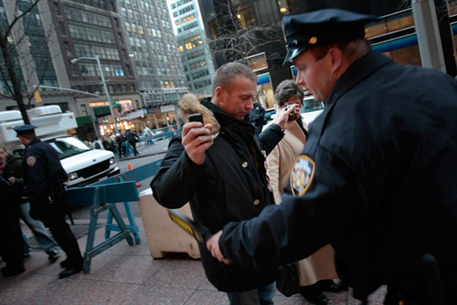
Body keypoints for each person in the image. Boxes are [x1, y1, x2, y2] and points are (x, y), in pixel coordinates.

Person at [206, 8, 457, 305]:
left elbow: (298, 220)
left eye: (302, 67)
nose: (299, 80)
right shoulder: (438, 84)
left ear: (334, 59)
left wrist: (232, 239)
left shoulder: (339, 126)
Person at [150, 62, 298, 305]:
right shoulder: (193, 136)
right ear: (220, 94)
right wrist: (191, 159)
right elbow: (165, 194)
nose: (251, 104)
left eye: (253, 97)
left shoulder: (241, 126)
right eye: (244, 97)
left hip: (260, 242)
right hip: (231, 253)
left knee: (267, 299)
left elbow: (251, 156)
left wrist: (278, 127)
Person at [266, 80, 342, 304]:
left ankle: (325, 278)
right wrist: (280, 208)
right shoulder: (274, 131)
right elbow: (271, 172)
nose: (295, 108)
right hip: (293, 200)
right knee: (304, 251)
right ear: (280, 105)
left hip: (313, 193)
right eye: (290, 104)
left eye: (298, 103)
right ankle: (310, 288)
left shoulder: (303, 125)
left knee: (321, 243)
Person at [13, 125, 84, 279]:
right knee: (62, 229)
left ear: (21, 137)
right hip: (56, 195)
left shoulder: (32, 152)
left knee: (60, 231)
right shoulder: (46, 146)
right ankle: (73, 258)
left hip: (47, 199)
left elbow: (36, 180)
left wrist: (35, 203)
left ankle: (76, 261)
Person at [0, 145, 61, 262]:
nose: (0, 156)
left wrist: (15, 181)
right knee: (12, 228)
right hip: (7, 202)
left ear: (5, 153)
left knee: (33, 222)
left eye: (1, 153)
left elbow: (28, 180)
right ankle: (23, 250)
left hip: (21, 198)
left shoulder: (16, 163)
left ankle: (51, 248)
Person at [0, 144, 25, 277]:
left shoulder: (14, 164)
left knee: (9, 237)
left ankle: (15, 263)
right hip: (8, 207)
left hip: (8, 207)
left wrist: (14, 182)